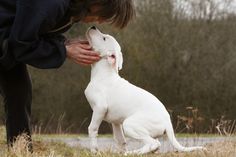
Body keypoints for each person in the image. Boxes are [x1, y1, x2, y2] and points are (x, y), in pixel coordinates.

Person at [0, 0, 135, 151]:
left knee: (19, 92)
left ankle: (20, 151)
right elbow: (21, 45)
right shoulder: (51, 4)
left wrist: (65, 43)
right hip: (9, 42)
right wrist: (64, 50)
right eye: (104, 14)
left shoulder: (71, 11)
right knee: (19, 91)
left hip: (7, 42)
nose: (101, 21)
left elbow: (37, 31)